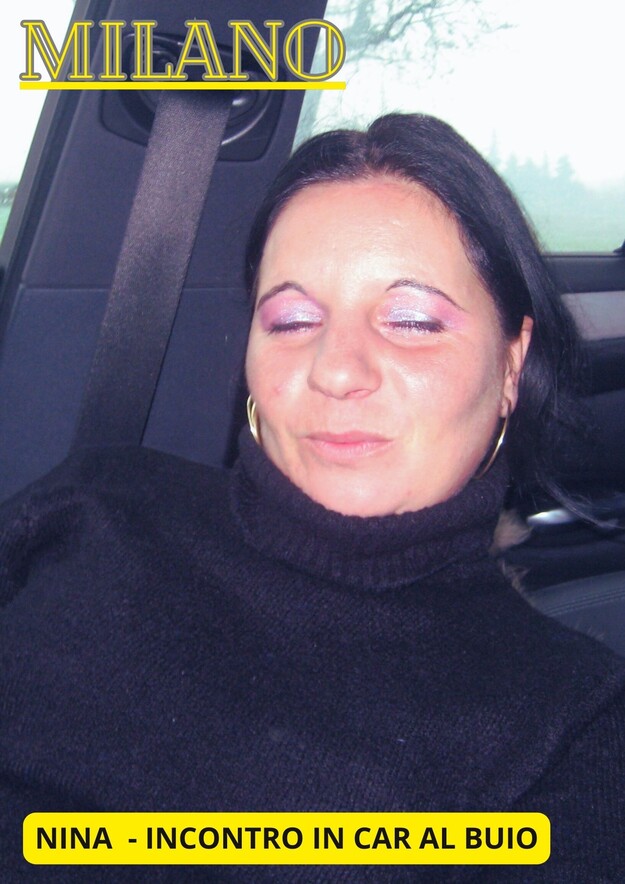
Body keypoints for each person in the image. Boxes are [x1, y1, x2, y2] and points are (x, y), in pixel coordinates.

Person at [0, 113, 624, 882]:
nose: (335, 368)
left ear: (509, 366)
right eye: (292, 320)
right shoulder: (97, 504)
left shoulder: (573, 722)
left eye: (411, 320)